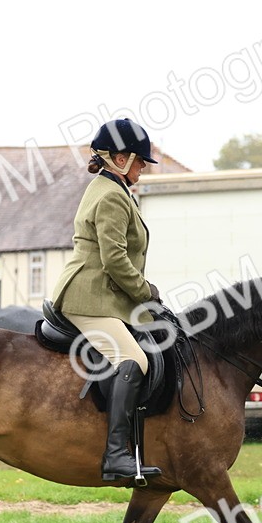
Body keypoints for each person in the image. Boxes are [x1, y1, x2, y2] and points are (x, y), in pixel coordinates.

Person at [51, 118, 163, 483]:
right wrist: (146, 292)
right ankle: (116, 456)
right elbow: (115, 258)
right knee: (134, 360)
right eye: (140, 160)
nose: (143, 167)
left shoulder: (110, 187)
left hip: (104, 297)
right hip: (89, 296)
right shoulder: (112, 194)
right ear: (119, 158)